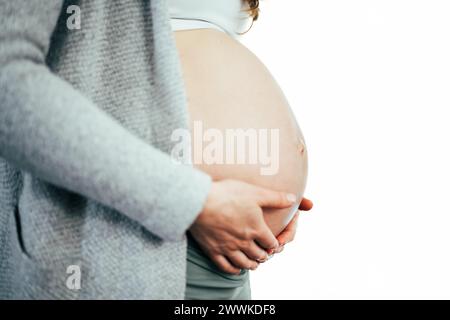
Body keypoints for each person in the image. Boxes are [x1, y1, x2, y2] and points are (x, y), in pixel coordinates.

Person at [0, 0, 311, 299]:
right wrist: (192, 201)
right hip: (132, 232)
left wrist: (272, 196)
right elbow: (8, 83)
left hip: (221, 248)